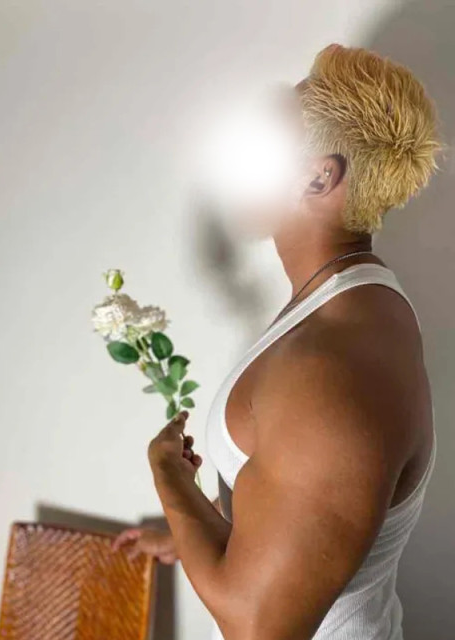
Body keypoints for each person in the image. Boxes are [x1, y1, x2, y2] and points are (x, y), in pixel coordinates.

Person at [113, 44, 441, 639]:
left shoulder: (331, 368)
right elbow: (292, 499)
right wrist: (190, 531)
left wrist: (170, 479)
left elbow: (257, 629)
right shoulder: (345, 299)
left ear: (319, 175)